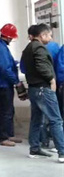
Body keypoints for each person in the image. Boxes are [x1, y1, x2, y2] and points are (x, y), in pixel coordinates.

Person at [19, 23, 64, 162]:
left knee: (36, 119)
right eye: (49, 35)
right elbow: (41, 66)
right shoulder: (39, 48)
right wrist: (51, 79)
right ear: (42, 35)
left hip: (34, 89)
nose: (50, 38)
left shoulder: (28, 48)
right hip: (43, 89)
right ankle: (62, 152)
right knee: (56, 120)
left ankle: (34, 149)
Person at [0, 23, 24, 146]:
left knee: (9, 111)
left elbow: (6, 64)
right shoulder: (0, 48)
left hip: (3, 84)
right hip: (2, 85)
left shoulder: (1, 47)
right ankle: (3, 138)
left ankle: (9, 134)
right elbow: (5, 69)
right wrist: (16, 82)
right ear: (8, 37)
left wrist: (14, 62)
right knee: (5, 112)